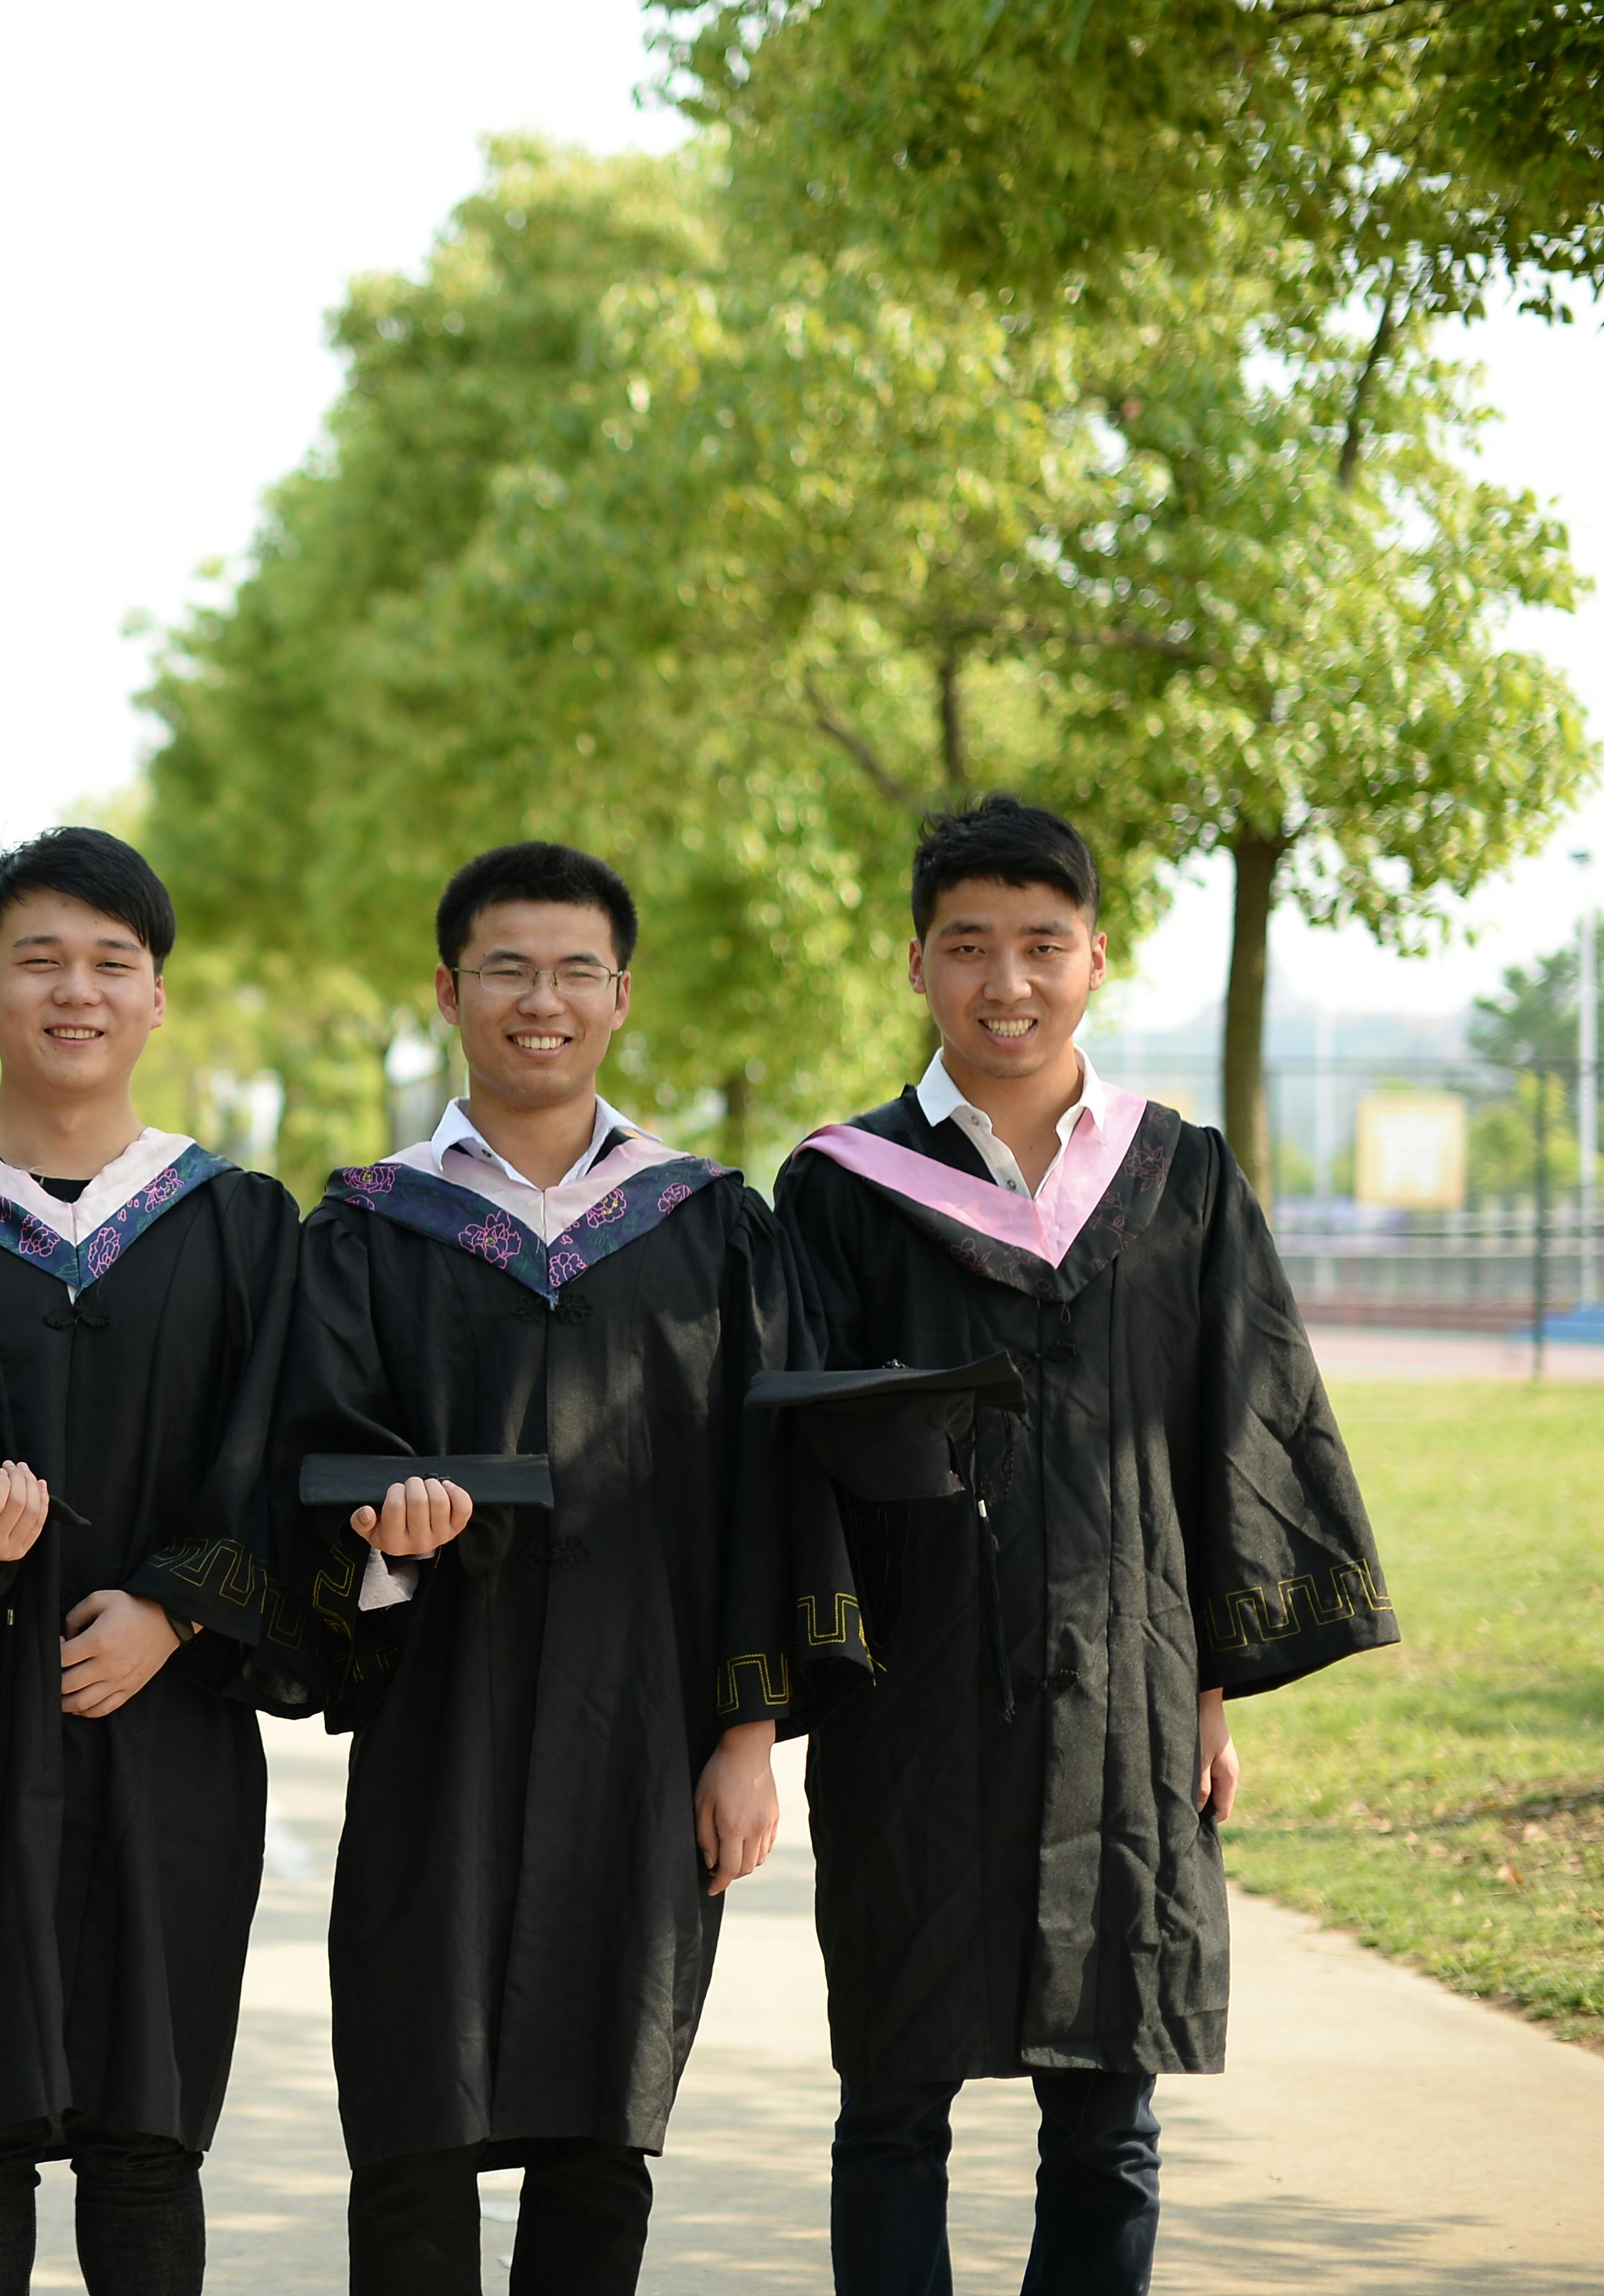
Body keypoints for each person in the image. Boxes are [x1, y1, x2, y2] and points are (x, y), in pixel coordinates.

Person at [772, 796, 1394, 2296]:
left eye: (1042, 945)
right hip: (908, 1693)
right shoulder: (841, 1188)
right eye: (970, 946)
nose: (1008, 982)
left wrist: (1212, 1681)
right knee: (893, 2099)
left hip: (1124, 1683)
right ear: (914, 961)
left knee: (1108, 2110)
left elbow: (1239, 1427)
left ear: (1095, 959)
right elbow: (785, 1459)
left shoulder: (1175, 1177)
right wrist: (782, 1685)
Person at [278, 841, 796, 2296]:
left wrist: (745, 1734)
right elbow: (312, 1455)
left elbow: (768, 1494)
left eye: (575, 970)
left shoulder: (707, 1228)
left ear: (620, 996)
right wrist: (379, 1547)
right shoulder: (369, 1224)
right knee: (411, 2121)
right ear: (449, 990)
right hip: (435, 1712)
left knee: (599, 2135)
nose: (541, 999)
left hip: (641, 1727)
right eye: (506, 967)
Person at [0, 828, 299, 2296]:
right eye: (40, 959)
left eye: (109, 963)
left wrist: (176, 1605)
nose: (73, 991)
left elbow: (281, 1464)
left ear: (156, 997)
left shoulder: (237, 1224)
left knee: (147, 2137)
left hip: (168, 1739)